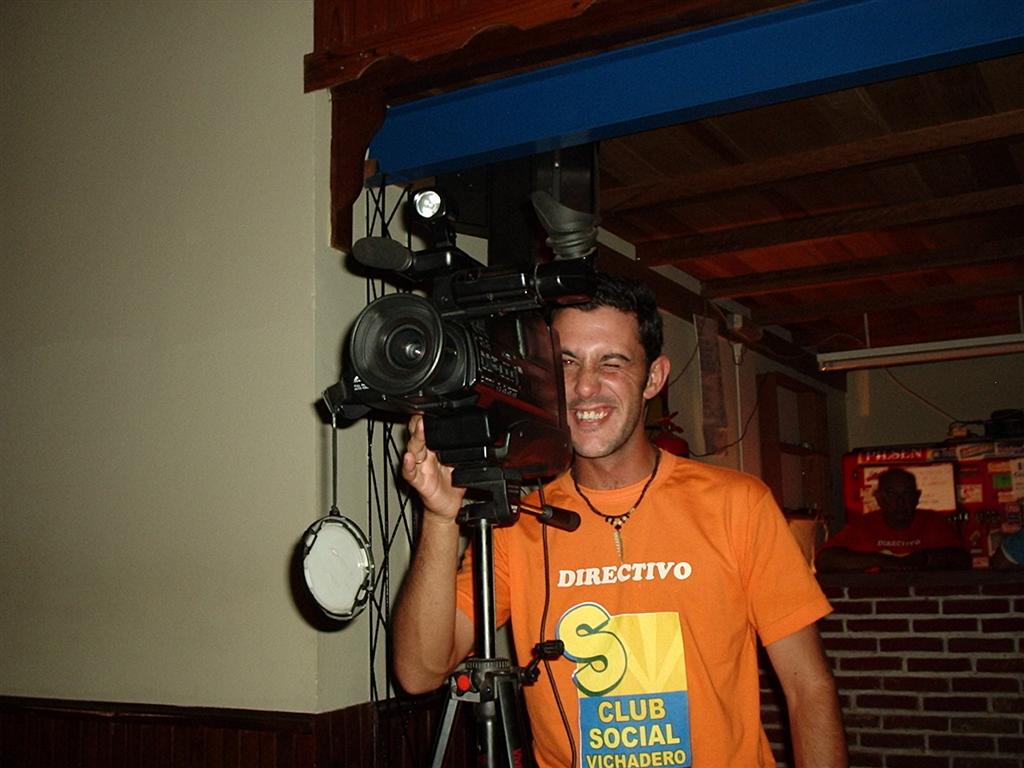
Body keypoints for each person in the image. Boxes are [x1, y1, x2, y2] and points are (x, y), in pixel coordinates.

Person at [393, 272, 847, 767]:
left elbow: (808, 686)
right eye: (567, 363)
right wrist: (440, 517)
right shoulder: (518, 520)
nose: (584, 386)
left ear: (654, 378)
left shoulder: (739, 504)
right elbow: (419, 672)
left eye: (611, 362)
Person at [815, 467, 970, 573]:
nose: (900, 502)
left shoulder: (932, 521)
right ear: (879, 498)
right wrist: (880, 560)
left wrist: (924, 559)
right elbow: (824, 560)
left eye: (906, 494)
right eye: (891, 495)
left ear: (917, 497)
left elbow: (962, 559)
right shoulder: (863, 525)